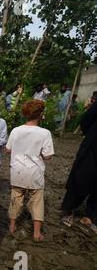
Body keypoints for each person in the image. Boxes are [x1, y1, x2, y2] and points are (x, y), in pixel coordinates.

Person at [6, 100, 54, 242]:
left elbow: (8, 150)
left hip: (17, 171)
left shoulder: (16, 130)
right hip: (35, 173)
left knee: (16, 198)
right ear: (40, 115)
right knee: (37, 201)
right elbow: (48, 156)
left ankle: (12, 226)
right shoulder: (45, 133)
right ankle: (36, 233)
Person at [61, 99, 97, 234]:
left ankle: (90, 216)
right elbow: (86, 120)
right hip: (93, 148)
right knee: (81, 176)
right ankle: (68, 210)